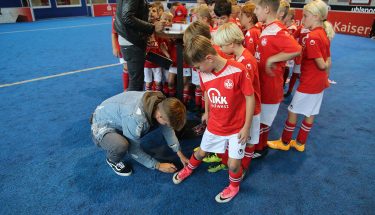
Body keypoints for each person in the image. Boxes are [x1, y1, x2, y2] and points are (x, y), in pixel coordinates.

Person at [173, 35, 255, 203]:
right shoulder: (205, 73)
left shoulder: (238, 69)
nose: (197, 70)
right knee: (201, 152)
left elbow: (250, 97)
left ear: (209, 58)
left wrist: (247, 126)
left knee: (233, 165)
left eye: (197, 66)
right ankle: (188, 169)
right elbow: (206, 92)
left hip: (236, 128)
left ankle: (234, 187)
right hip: (215, 126)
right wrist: (207, 112)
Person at [268, 0, 334, 152]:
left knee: (292, 110)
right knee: (310, 112)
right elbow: (328, 60)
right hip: (319, 82)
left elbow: (322, 64)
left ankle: (284, 142)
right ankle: (300, 142)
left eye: (306, 16)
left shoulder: (312, 37)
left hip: (309, 83)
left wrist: (324, 67)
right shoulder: (323, 33)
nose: (302, 20)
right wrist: (326, 71)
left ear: (316, 16)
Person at [91, 91, 189, 176]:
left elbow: (168, 130)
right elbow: (133, 150)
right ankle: (112, 160)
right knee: (122, 145)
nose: (168, 126)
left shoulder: (161, 102)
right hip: (101, 122)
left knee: (146, 127)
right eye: (167, 123)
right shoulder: (137, 119)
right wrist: (158, 165)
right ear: (160, 116)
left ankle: (127, 131)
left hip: (119, 114)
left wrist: (180, 154)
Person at [210, 22, 261, 174]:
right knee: (238, 139)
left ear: (231, 44)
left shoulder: (247, 62)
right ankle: (230, 162)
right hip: (240, 109)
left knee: (248, 140)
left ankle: (243, 166)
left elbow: (248, 94)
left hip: (249, 111)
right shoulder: (238, 58)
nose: (221, 49)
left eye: (222, 46)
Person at [253, 0, 301, 158]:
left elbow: (296, 49)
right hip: (263, 82)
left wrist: (272, 60)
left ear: (266, 9)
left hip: (270, 84)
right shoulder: (268, 28)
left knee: (263, 119)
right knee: (260, 117)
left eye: (257, 8)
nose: (255, 12)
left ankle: (260, 149)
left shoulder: (278, 30)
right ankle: (258, 146)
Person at [114, 0, 165, 91]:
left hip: (131, 39)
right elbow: (127, 17)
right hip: (132, 40)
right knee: (136, 83)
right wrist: (152, 27)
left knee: (136, 81)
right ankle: (131, 104)